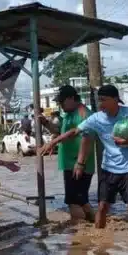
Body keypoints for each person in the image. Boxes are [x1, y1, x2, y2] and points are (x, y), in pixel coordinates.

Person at [40, 84, 128, 231]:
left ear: (115, 99)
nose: (101, 104)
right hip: (108, 169)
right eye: (99, 100)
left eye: (104, 100)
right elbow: (74, 132)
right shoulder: (96, 118)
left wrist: (126, 142)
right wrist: (53, 142)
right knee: (102, 207)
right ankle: (99, 239)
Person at [41, 85, 95, 223]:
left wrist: (80, 162)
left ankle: (79, 234)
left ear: (71, 98)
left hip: (78, 164)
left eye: (61, 102)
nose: (60, 105)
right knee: (81, 200)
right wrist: (46, 123)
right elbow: (60, 132)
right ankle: (96, 224)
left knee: (73, 201)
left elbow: (87, 138)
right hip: (71, 164)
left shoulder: (84, 113)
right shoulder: (69, 115)